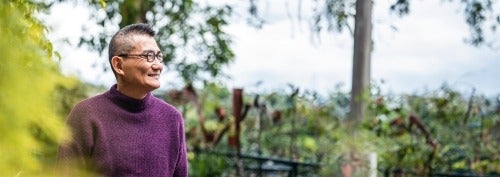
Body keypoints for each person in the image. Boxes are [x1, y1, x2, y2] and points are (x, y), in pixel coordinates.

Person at [57, 23, 188, 177]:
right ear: (119, 65)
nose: (158, 65)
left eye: (159, 56)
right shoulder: (86, 115)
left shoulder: (172, 118)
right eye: (149, 56)